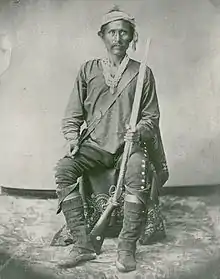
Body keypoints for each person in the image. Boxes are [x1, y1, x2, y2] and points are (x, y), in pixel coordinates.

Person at [54, 6, 169, 273]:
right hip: (94, 146)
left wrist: (138, 130)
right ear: (102, 36)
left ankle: (126, 249)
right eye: (112, 33)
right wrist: (73, 139)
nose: (118, 38)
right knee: (64, 169)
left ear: (132, 38)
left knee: (137, 171)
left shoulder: (143, 73)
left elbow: (151, 117)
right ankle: (83, 245)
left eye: (124, 33)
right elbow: (72, 115)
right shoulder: (88, 70)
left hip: (128, 148)